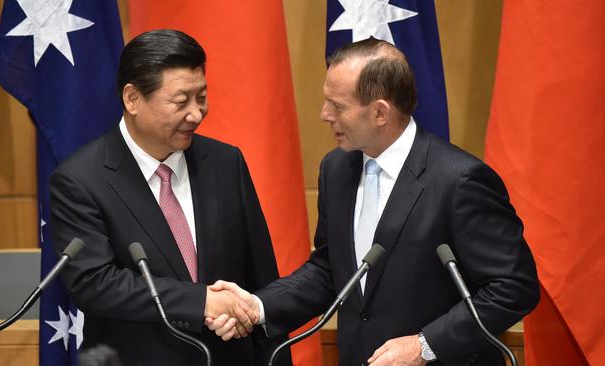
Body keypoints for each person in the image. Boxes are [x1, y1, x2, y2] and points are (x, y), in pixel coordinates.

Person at [207, 38, 540, 365]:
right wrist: (258, 306)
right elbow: (329, 269)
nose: (324, 114)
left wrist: (425, 346)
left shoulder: (460, 180)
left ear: (380, 112)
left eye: (337, 106)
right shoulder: (336, 169)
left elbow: (513, 287)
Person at [49, 29, 291, 366]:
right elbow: (95, 283)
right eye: (181, 101)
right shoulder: (80, 179)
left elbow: (261, 276)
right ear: (132, 99)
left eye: (201, 97)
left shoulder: (225, 163)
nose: (196, 113)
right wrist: (202, 301)